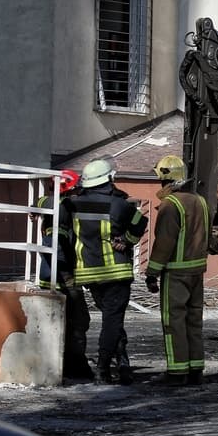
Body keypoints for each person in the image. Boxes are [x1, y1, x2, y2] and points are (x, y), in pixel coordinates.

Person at [61, 157, 148, 385]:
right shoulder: (119, 205)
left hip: (88, 274)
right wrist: (127, 241)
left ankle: (122, 365)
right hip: (115, 272)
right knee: (112, 321)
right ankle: (103, 369)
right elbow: (141, 221)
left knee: (112, 320)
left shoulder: (70, 204)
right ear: (109, 179)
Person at [145, 155, 211, 386]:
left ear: (165, 178)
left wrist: (152, 272)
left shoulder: (170, 205)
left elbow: (164, 242)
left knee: (174, 323)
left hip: (175, 273)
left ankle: (176, 373)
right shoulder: (200, 201)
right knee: (194, 321)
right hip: (196, 272)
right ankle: (195, 371)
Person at [35, 170, 94, 381]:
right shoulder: (62, 207)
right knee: (78, 321)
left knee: (63, 323)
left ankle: (66, 364)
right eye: (77, 189)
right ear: (68, 188)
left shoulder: (53, 205)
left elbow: (42, 201)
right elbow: (57, 245)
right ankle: (75, 366)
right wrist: (68, 274)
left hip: (54, 274)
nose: (80, 193)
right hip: (61, 276)